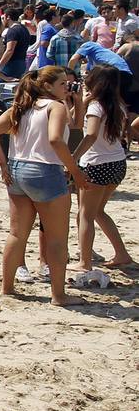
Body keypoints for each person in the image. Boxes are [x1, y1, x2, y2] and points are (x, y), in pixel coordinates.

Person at [0, 66, 88, 306]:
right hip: (45, 171)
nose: (67, 87)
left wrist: (3, 164)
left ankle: (7, 287)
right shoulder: (55, 107)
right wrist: (75, 171)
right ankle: (58, 295)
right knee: (57, 238)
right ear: (48, 86)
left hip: (18, 168)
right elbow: (55, 139)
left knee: (17, 234)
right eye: (63, 83)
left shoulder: (22, 106)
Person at [72, 66, 132, 271]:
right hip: (117, 162)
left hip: (96, 163)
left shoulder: (97, 106)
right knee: (98, 212)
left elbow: (90, 134)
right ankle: (122, 253)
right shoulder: (119, 105)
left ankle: (84, 262)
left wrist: (73, 158)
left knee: (86, 214)